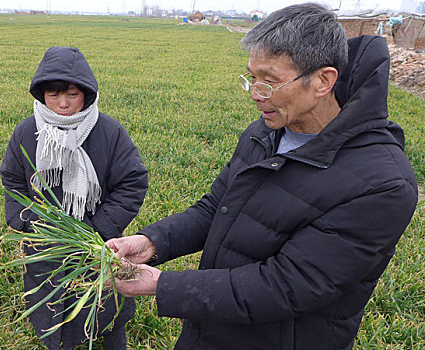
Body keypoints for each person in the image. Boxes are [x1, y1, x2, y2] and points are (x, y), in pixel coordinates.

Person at [106, 3, 418, 349]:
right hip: (212, 328)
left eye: (270, 82)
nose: (256, 94)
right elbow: (217, 207)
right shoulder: (268, 132)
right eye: (252, 77)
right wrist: (152, 243)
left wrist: (162, 285)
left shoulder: (382, 182)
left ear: (323, 81)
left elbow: (289, 285)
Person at [0, 46, 149, 349]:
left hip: (97, 242)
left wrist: (98, 228)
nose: (63, 104)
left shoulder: (108, 131)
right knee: (51, 302)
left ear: (87, 93)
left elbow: (133, 182)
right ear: (41, 94)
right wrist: (30, 223)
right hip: (44, 243)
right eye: (54, 95)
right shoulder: (27, 132)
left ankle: (111, 339)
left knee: (106, 304)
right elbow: (12, 182)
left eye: (71, 94)